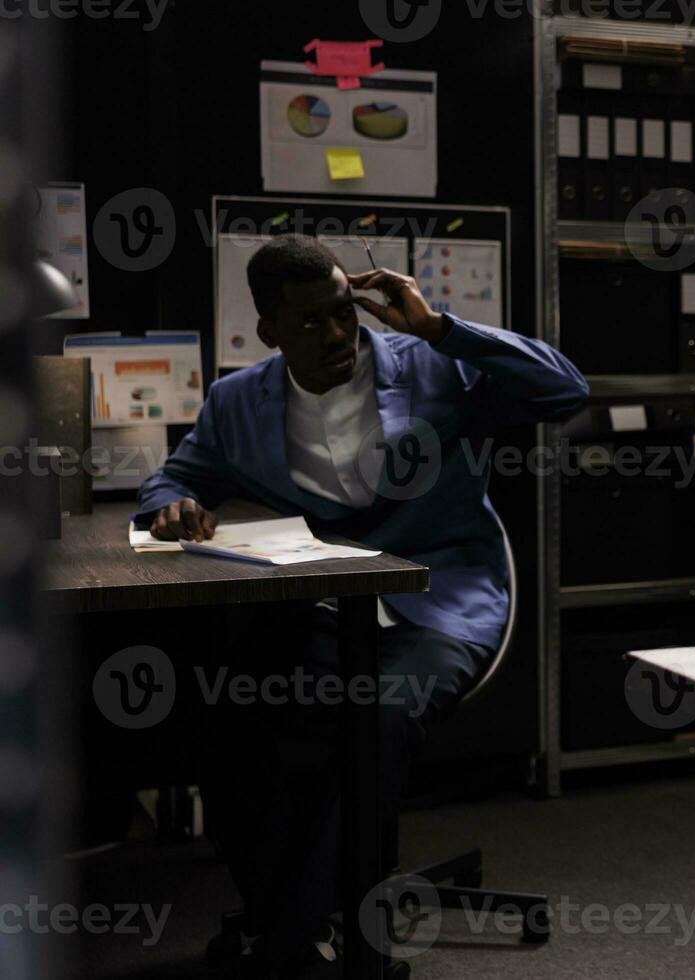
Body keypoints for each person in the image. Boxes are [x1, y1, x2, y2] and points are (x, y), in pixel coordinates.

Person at [134, 235, 588, 976]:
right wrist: (174, 504)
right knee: (227, 720)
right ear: (269, 333)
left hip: (441, 598)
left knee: (377, 716)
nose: (338, 335)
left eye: (345, 312)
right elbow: (175, 478)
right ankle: (307, 929)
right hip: (321, 607)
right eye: (310, 322)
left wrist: (439, 325)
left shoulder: (430, 364)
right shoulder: (237, 401)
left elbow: (566, 391)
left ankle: (293, 941)